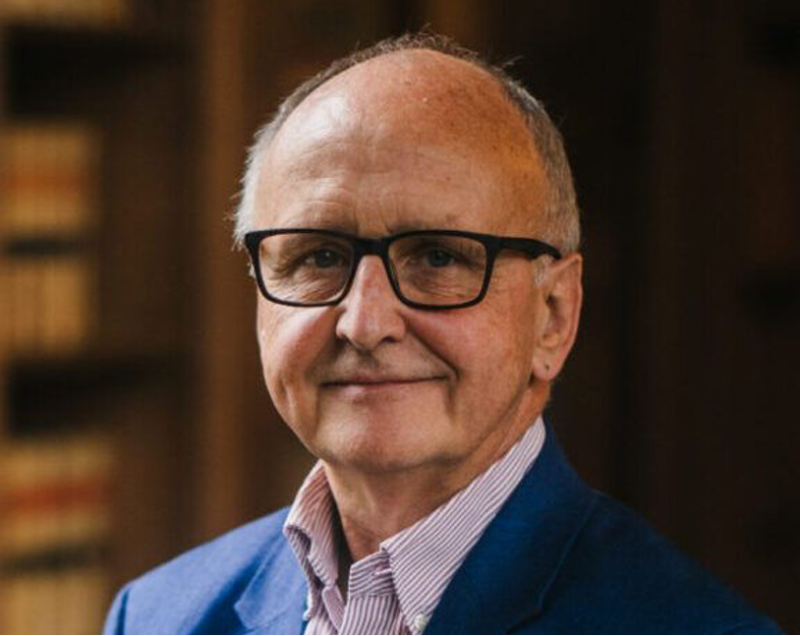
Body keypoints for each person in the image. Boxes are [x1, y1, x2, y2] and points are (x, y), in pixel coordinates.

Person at [102, 34, 784, 635]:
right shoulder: (158, 617)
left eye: (438, 258)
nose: (365, 323)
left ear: (554, 316)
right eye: (318, 257)